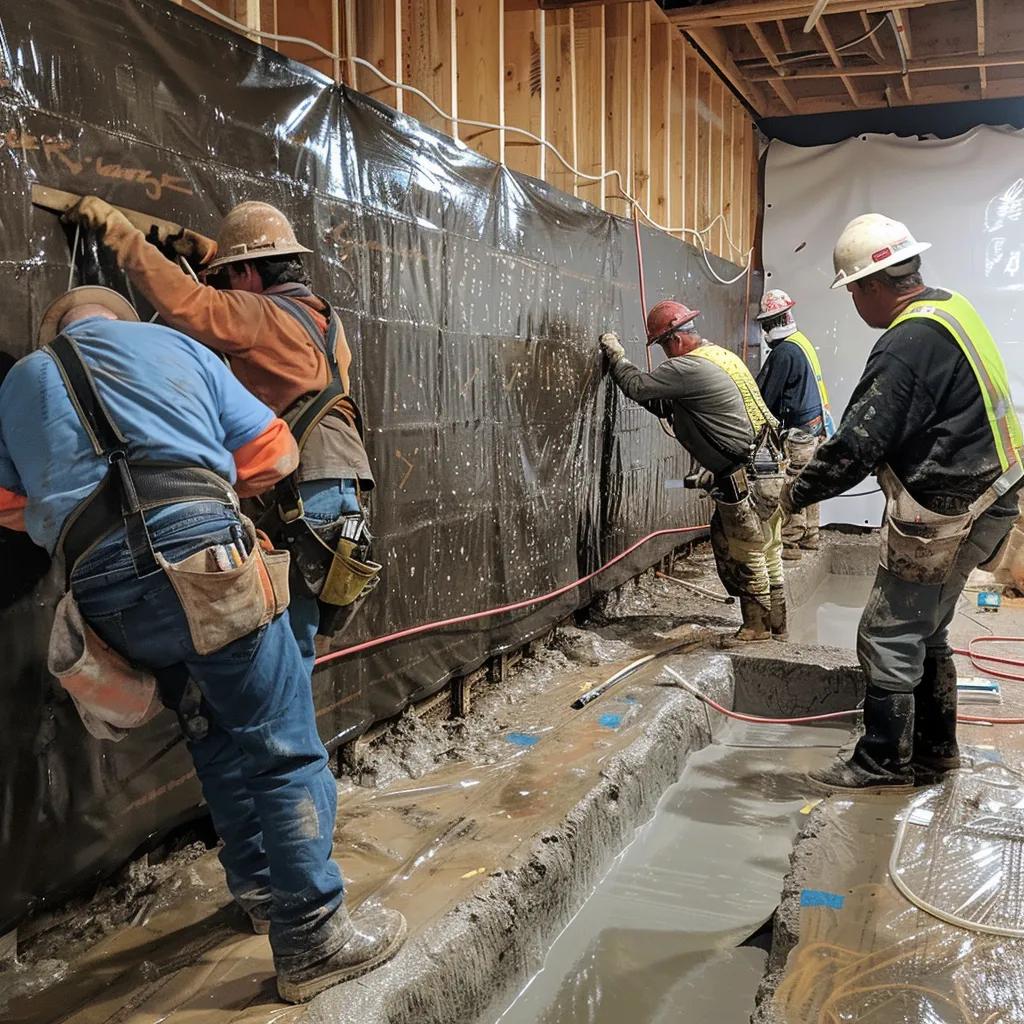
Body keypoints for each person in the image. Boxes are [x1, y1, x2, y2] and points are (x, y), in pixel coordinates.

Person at [0, 287, 405, 1002]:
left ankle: (258, 891)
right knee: (283, 745)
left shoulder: (20, 382)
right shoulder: (173, 344)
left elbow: (8, 505)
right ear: (120, 322)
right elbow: (275, 452)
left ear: (55, 331)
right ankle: (314, 936)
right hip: (202, 556)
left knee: (210, 732)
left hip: (99, 588)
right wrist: (205, 487)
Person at [65, 197, 376, 676]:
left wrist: (123, 235)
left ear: (250, 274)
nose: (224, 286)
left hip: (305, 490)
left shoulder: (258, 315)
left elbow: (188, 304)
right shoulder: (321, 321)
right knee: (297, 632)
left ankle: (290, 749)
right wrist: (213, 255)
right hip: (341, 489)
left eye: (231, 275)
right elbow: (245, 291)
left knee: (285, 640)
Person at [782, 214, 1023, 792]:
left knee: (886, 634)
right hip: (996, 493)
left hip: (949, 510)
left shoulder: (904, 344)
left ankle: (883, 762)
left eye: (852, 293)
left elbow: (855, 445)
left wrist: (792, 493)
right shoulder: (951, 308)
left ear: (869, 285)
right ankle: (936, 752)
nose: (855, 306)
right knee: (929, 628)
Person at [600, 300, 787, 642]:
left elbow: (640, 387)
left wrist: (617, 358)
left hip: (746, 476)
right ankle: (778, 626)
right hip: (770, 467)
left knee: (745, 551)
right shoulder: (720, 357)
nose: (664, 355)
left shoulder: (688, 368)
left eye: (662, 347)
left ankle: (757, 629)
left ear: (674, 340)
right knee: (769, 548)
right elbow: (666, 404)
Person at [755, 288, 835, 560]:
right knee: (810, 481)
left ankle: (790, 542)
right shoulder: (801, 342)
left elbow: (764, 397)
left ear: (770, 323)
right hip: (816, 428)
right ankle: (811, 536)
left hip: (799, 432)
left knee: (792, 484)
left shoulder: (784, 353)